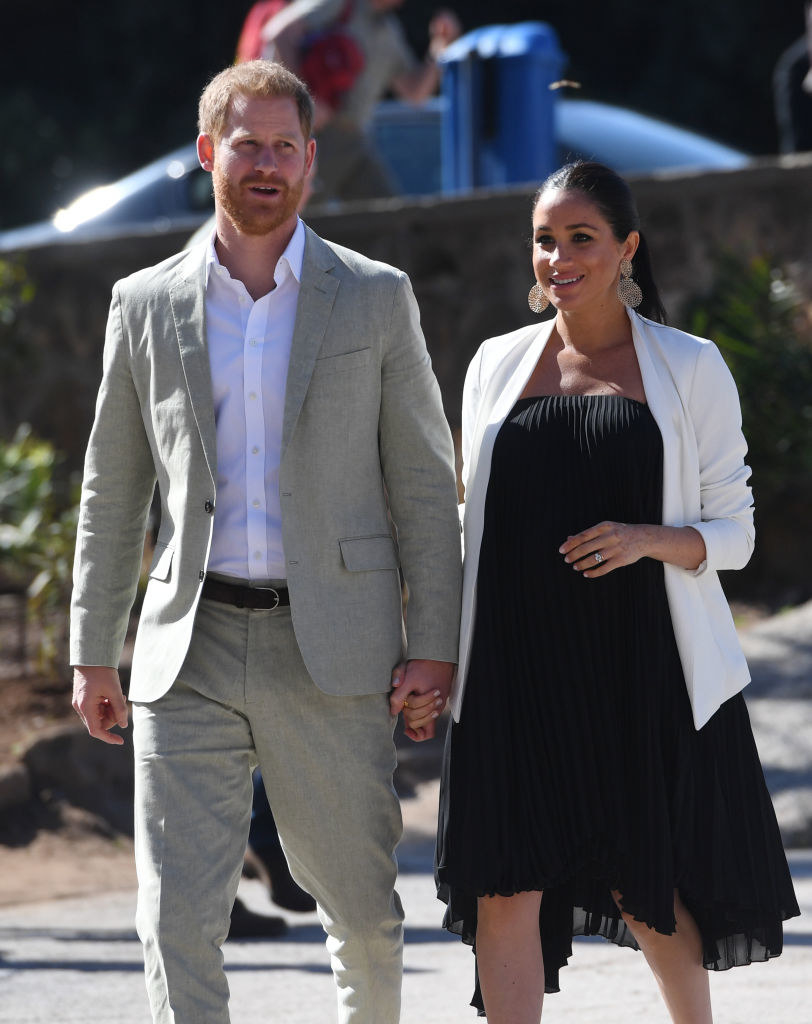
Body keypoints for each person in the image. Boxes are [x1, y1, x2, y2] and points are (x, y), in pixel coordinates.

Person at [70, 59, 461, 1024]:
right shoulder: (144, 304)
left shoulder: (374, 298)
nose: (267, 165)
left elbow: (421, 480)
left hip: (332, 647)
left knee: (364, 917)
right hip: (186, 647)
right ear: (209, 153)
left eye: (286, 147)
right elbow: (113, 491)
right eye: (248, 145)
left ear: (311, 162)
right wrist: (91, 651)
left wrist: (435, 643)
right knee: (175, 922)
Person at [392, 161, 800, 1022]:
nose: (559, 256)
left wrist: (646, 538)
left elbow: (737, 533)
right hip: (512, 665)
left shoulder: (690, 367)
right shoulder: (493, 365)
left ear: (628, 250)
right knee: (505, 885)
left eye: (582, 238)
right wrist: (433, 657)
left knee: (640, 885)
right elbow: (466, 519)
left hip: (636, 664)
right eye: (545, 239)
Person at [260, 0, 461, 201]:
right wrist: (304, 100)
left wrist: (440, 47)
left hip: (353, 140)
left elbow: (415, 93)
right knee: (299, 213)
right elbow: (277, 34)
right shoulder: (337, 5)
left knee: (388, 217)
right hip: (311, 136)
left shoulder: (389, 29)